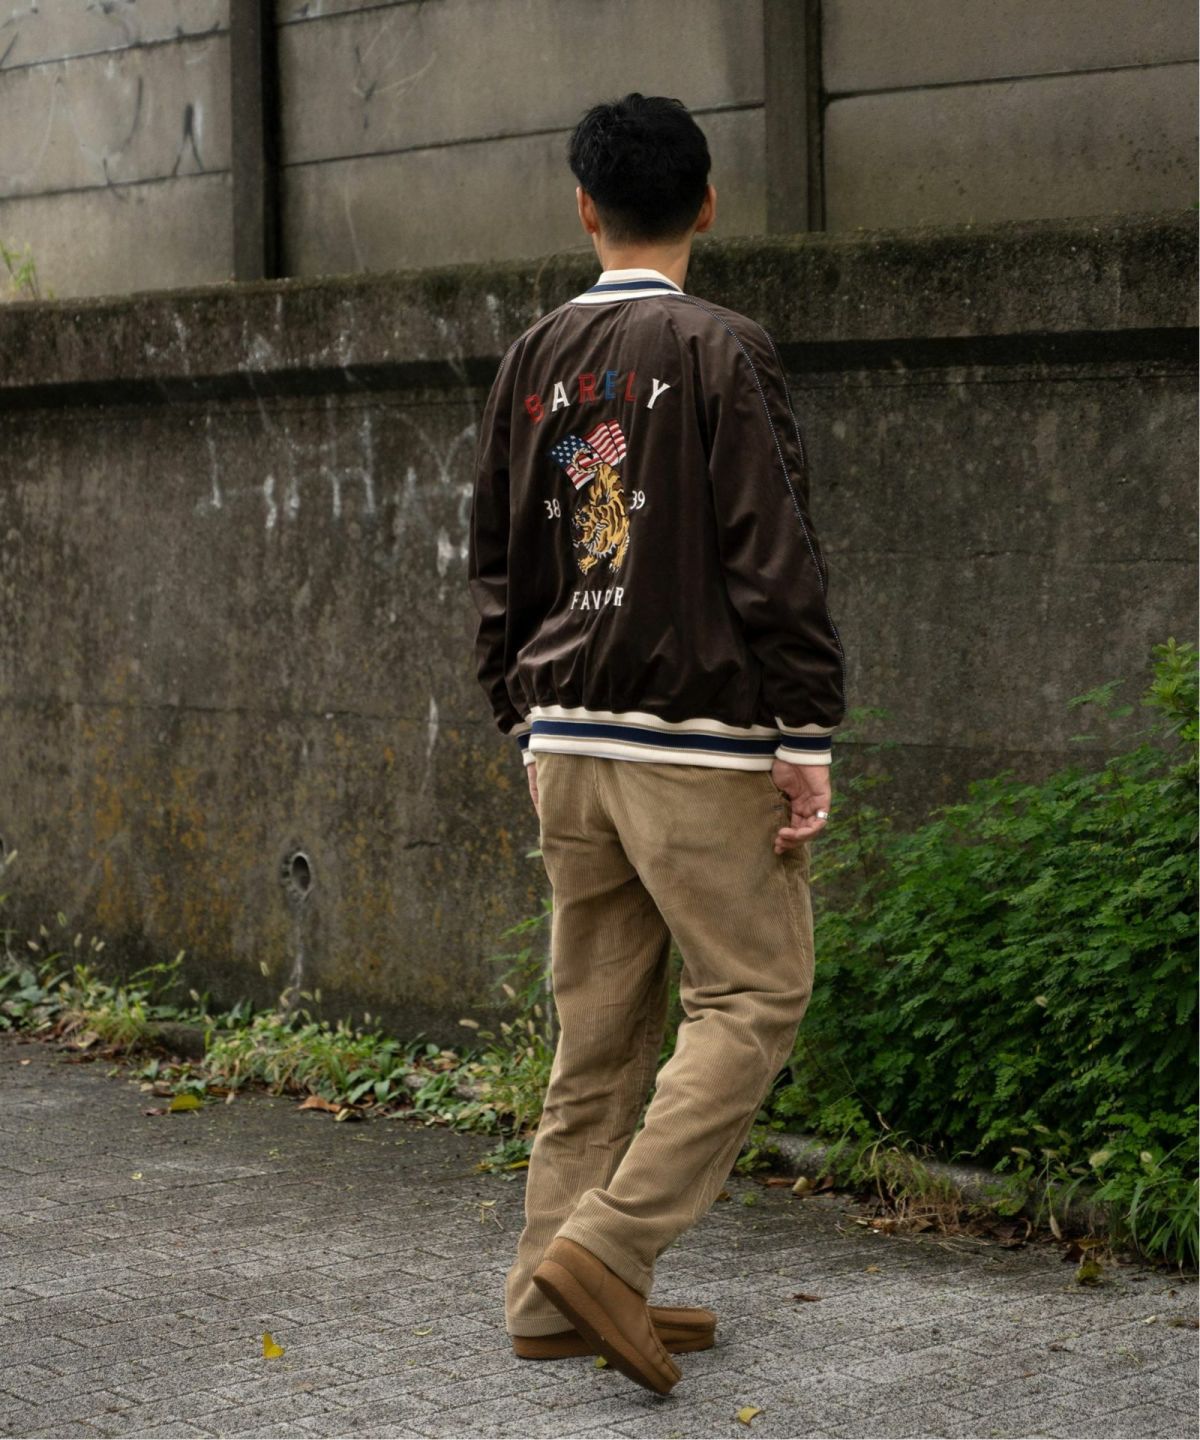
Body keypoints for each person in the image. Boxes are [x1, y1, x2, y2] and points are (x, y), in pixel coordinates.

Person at [467, 92, 844, 1396]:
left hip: (569, 742)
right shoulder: (720, 347)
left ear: (584, 206)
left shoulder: (531, 357)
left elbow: (495, 562)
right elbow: (773, 550)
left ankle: (546, 1293)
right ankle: (607, 1254)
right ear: (709, 203)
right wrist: (806, 730)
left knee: (598, 1035)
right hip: (696, 742)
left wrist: (522, 719)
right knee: (754, 996)